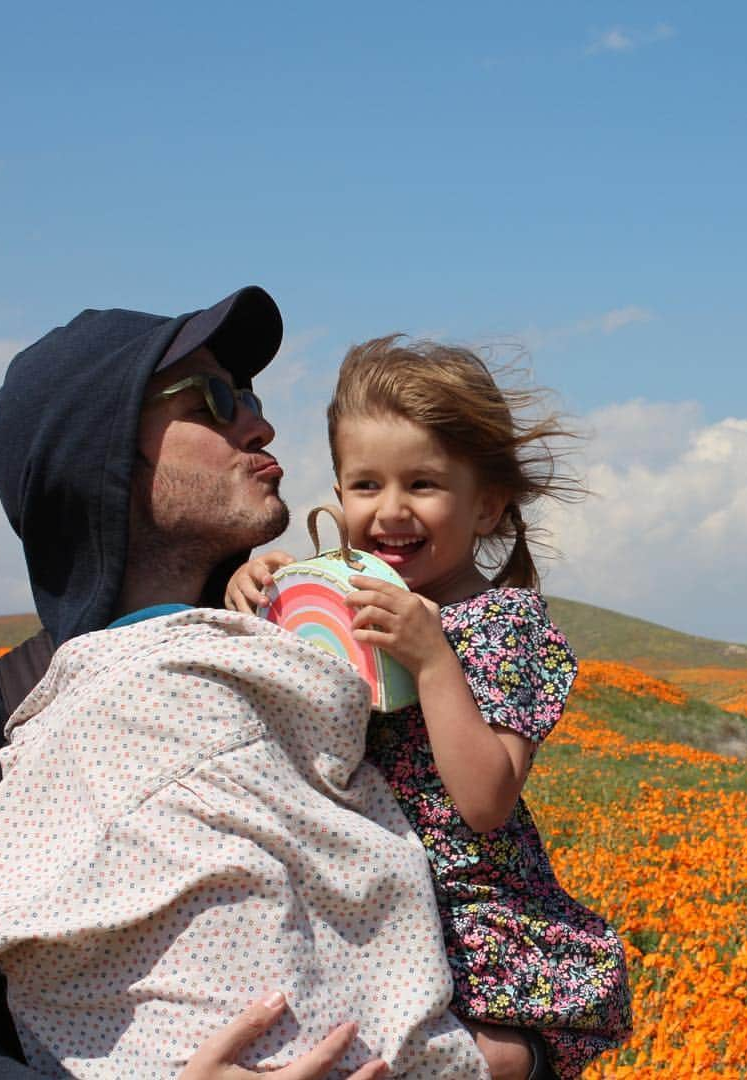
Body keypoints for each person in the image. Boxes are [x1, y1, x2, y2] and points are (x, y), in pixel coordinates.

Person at [0, 287, 398, 1080]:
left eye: (252, 397)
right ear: (98, 456)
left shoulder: (328, 666)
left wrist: (516, 1059)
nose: (261, 424)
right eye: (213, 399)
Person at [227, 337, 634, 1078]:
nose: (390, 511)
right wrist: (257, 595)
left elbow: (486, 798)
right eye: (365, 485)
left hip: (466, 918)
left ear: (487, 506)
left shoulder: (507, 625)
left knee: (490, 1059)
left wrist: (434, 659)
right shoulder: (336, 601)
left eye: (422, 484)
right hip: (355, 894)